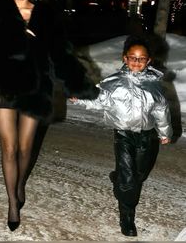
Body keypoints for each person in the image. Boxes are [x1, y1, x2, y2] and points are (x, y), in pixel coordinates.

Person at [0, 0, 99, 232]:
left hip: (35, 85)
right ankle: (11, 203)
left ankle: (19, 185)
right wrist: (17, 38)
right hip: (2, 84)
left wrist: (75, 85)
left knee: (25, 147)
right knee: (8, 146)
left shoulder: (46, 15)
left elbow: (61, 53)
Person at [70, 34, 172, 237]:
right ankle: (127, 218)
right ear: (124, 58)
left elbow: (162, 110)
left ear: (148, 60)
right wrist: (80, 98)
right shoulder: (113, 82)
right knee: (128, 182)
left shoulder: (154, 85)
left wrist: (164, 132)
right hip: (123, 135)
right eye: (132, 57)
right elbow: (97, 99)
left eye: (141, 58)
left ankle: (118, 178)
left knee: (140, 175)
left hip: (147, 136)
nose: (136, 61)